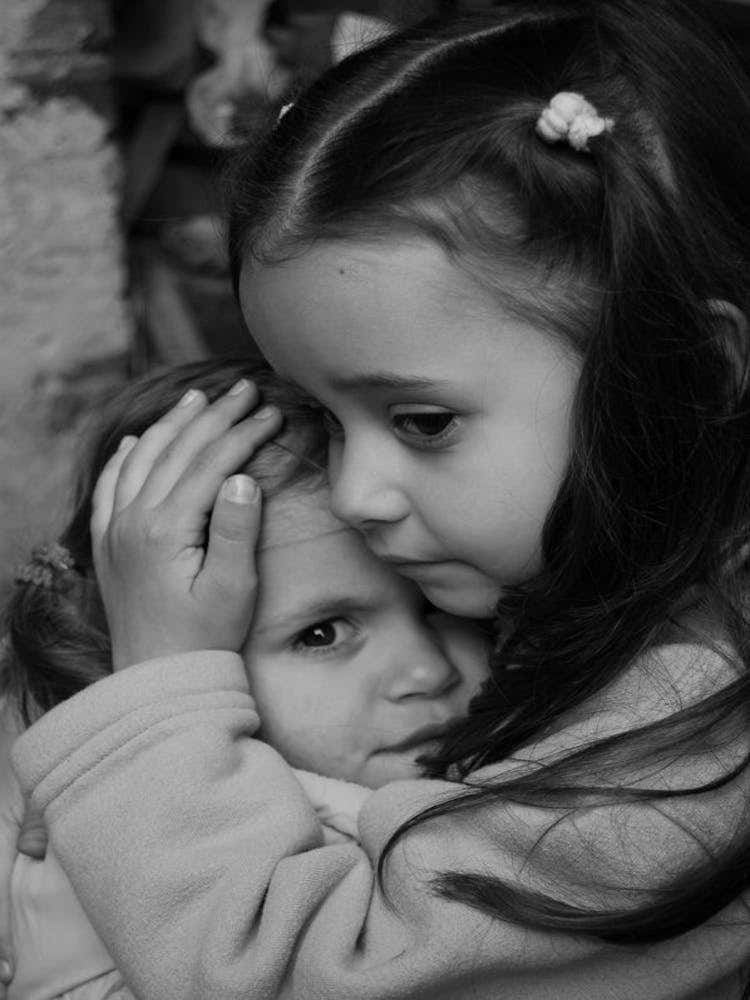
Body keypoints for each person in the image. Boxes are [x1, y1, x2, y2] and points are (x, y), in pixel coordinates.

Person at [9, 0, 750, 996]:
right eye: (325, 413)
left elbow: (300, 979)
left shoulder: (686, 741)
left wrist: (155, 694)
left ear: (687, 376)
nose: (356, 493)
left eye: (423, 422)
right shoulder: (615, 588)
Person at [0, 359, 488, 999]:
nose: (429, 670)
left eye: (440, 605)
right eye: (322, 634)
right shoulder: (109, 888)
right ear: (163, 663)